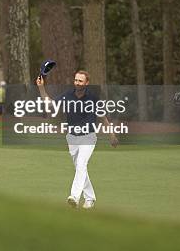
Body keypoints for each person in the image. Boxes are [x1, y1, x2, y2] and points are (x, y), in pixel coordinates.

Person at [36, 70, 118, 209]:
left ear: (86, 83)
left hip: (89, 137)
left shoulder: (93, 98)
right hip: (72, 138)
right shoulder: (67, 95)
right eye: (76, 80)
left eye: (80, 81)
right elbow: (50, 104)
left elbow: (103, 118)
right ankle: (90, 198)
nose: (77, 83)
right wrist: (41, 88)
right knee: (81, 169)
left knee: (81, 165)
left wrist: (112, 135)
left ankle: (74, 196)